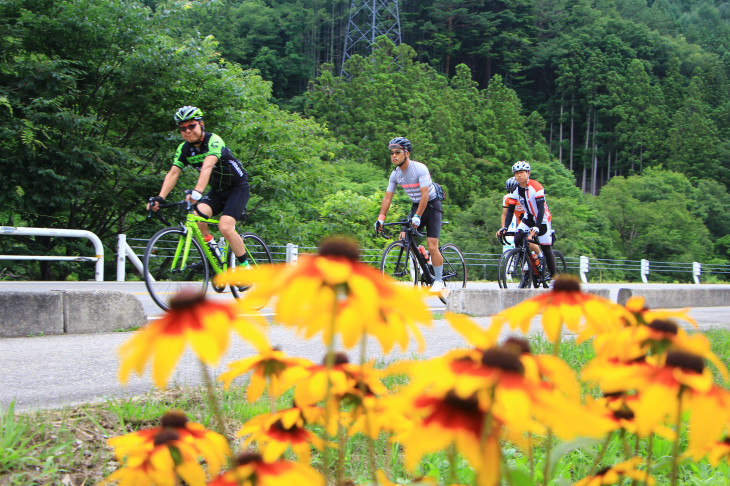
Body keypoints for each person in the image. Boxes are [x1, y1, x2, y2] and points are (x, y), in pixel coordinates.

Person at [147, 106, 251, 267]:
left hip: (238, 188)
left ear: (201, 123)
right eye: (183, 128)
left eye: (191, 126)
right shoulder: (184, 149)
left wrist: (197, 192)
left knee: (225, 226)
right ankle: (214, 249)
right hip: (217, 191)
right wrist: (160, 198)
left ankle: (246, 267)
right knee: (197, 218)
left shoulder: (213, 140)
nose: (187, 131)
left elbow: (207, 166)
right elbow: (173, 173)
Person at [374, 137, 446, 295]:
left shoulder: (419, 168)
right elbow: (387, 197)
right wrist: (381, 218)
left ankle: (439, 281)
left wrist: (418, 217)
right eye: (391, 153)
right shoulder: (395, 174)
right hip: (417, 205)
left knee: (432, 245)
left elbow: (425, 195)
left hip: (432, 205)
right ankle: (422, 259)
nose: (394, 156)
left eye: (397, 153)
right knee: (403, 238)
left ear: (406, 153)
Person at [496, 161, 558, 278]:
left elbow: (540, 210)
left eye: (522, 173)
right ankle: (527, 264)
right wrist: (505, 227)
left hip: (542, 218)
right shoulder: (515, 190)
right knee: (518, 238)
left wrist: (537, 226)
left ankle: (554, 277)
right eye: (516, 173)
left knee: (546, 248)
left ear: (528, 173)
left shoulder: (536, 187)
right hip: (528, 217)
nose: (519, 175)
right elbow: (510, 211)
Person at [500, 177, 540, 257]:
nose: (511, 193)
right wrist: (503, 228)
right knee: (518, 242)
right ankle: (524, 264)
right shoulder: (507, 198)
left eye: (513, 191)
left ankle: (540, 256)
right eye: (509, 191)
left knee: (529, 242)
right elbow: (505, 214)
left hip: (531, 220)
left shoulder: (525, 196)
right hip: (520, 222)